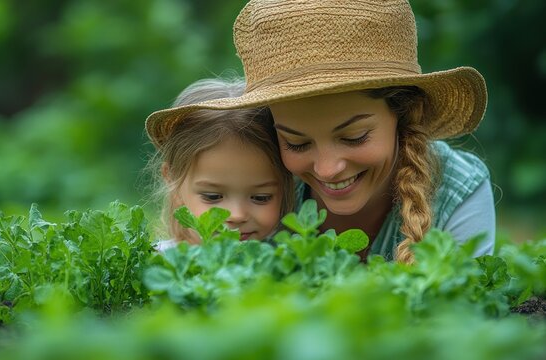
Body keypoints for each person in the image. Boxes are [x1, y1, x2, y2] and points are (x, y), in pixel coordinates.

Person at [146, 0, 495, 262]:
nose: (327, 169)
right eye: (296, 142)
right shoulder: (259, 174)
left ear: (406, 112)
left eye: (354, 137)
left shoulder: (455, 190)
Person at [145, 77, 294, 247]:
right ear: (172, 181)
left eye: (260, 198)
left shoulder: (291, 262)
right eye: (213, 197)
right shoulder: (157, 264)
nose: (237, 215)